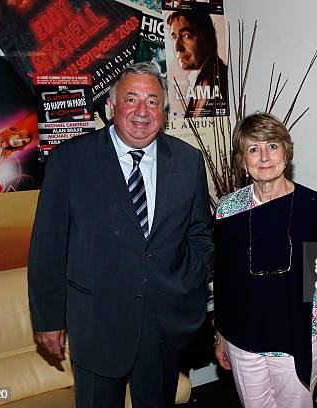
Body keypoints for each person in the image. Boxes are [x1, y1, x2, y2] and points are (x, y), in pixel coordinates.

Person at [28, 62, 213, 408]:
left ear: (164, 109)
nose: (142, 111)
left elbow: (199, 233)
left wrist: (189, 280)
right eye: (131, 99)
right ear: (112, 106)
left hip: (164, 322)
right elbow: (48, 246)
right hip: (98, 322)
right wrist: (49, 319)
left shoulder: (188, 160)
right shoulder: (71, 161)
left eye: (153, 101)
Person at [213, 112, 317, 407]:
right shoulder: (228, 209)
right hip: (243, 337)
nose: (264, 157)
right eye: (253, 149)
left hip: (300, 335)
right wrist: (220, 334)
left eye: (272, 146)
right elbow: (225, 278)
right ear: (243, 160)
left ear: (286, 151)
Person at [167, 10, 228, 117]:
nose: (177, 47)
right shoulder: (204, 78)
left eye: (186, 36)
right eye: (174, 37)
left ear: (207, 36)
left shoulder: (215, 80)